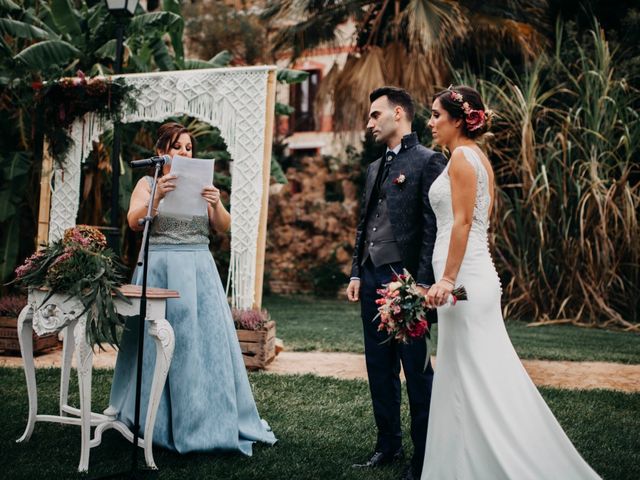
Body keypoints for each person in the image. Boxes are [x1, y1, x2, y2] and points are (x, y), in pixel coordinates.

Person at [421, 86, 600, 479]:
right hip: (471, 274)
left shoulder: (464, 159)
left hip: (463, 280)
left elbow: (465, 223)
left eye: (436, 115)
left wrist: (448, 279)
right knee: (467, 372)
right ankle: (462, 464)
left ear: (457, 119)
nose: (431, 122)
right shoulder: (473, 159)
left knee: (475, 371)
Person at [108, 122, 276, 454]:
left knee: (202, 342)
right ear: (161, 153)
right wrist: (158, 194)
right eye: (177, 147)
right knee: (157, 343)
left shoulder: (203, 184)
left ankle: (206, 417)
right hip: (160, 268)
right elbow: (133, 220)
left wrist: (215, 203)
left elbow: (223, 226)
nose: (185, 152)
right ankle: (152, 420)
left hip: (199, 270)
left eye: (188, 148)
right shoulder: (148, 182)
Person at [346, 87, 447, 480]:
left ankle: (423, 457)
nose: (370, 123)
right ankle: (387, 444)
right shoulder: (374, 167)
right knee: (378, 365)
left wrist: (421, 282)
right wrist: (357, 271)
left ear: (398, 113)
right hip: (371, 276)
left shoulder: (428, 161)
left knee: (415, 370)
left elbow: (431, 228)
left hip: (404, 281)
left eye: (375, 115)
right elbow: (363, 223)